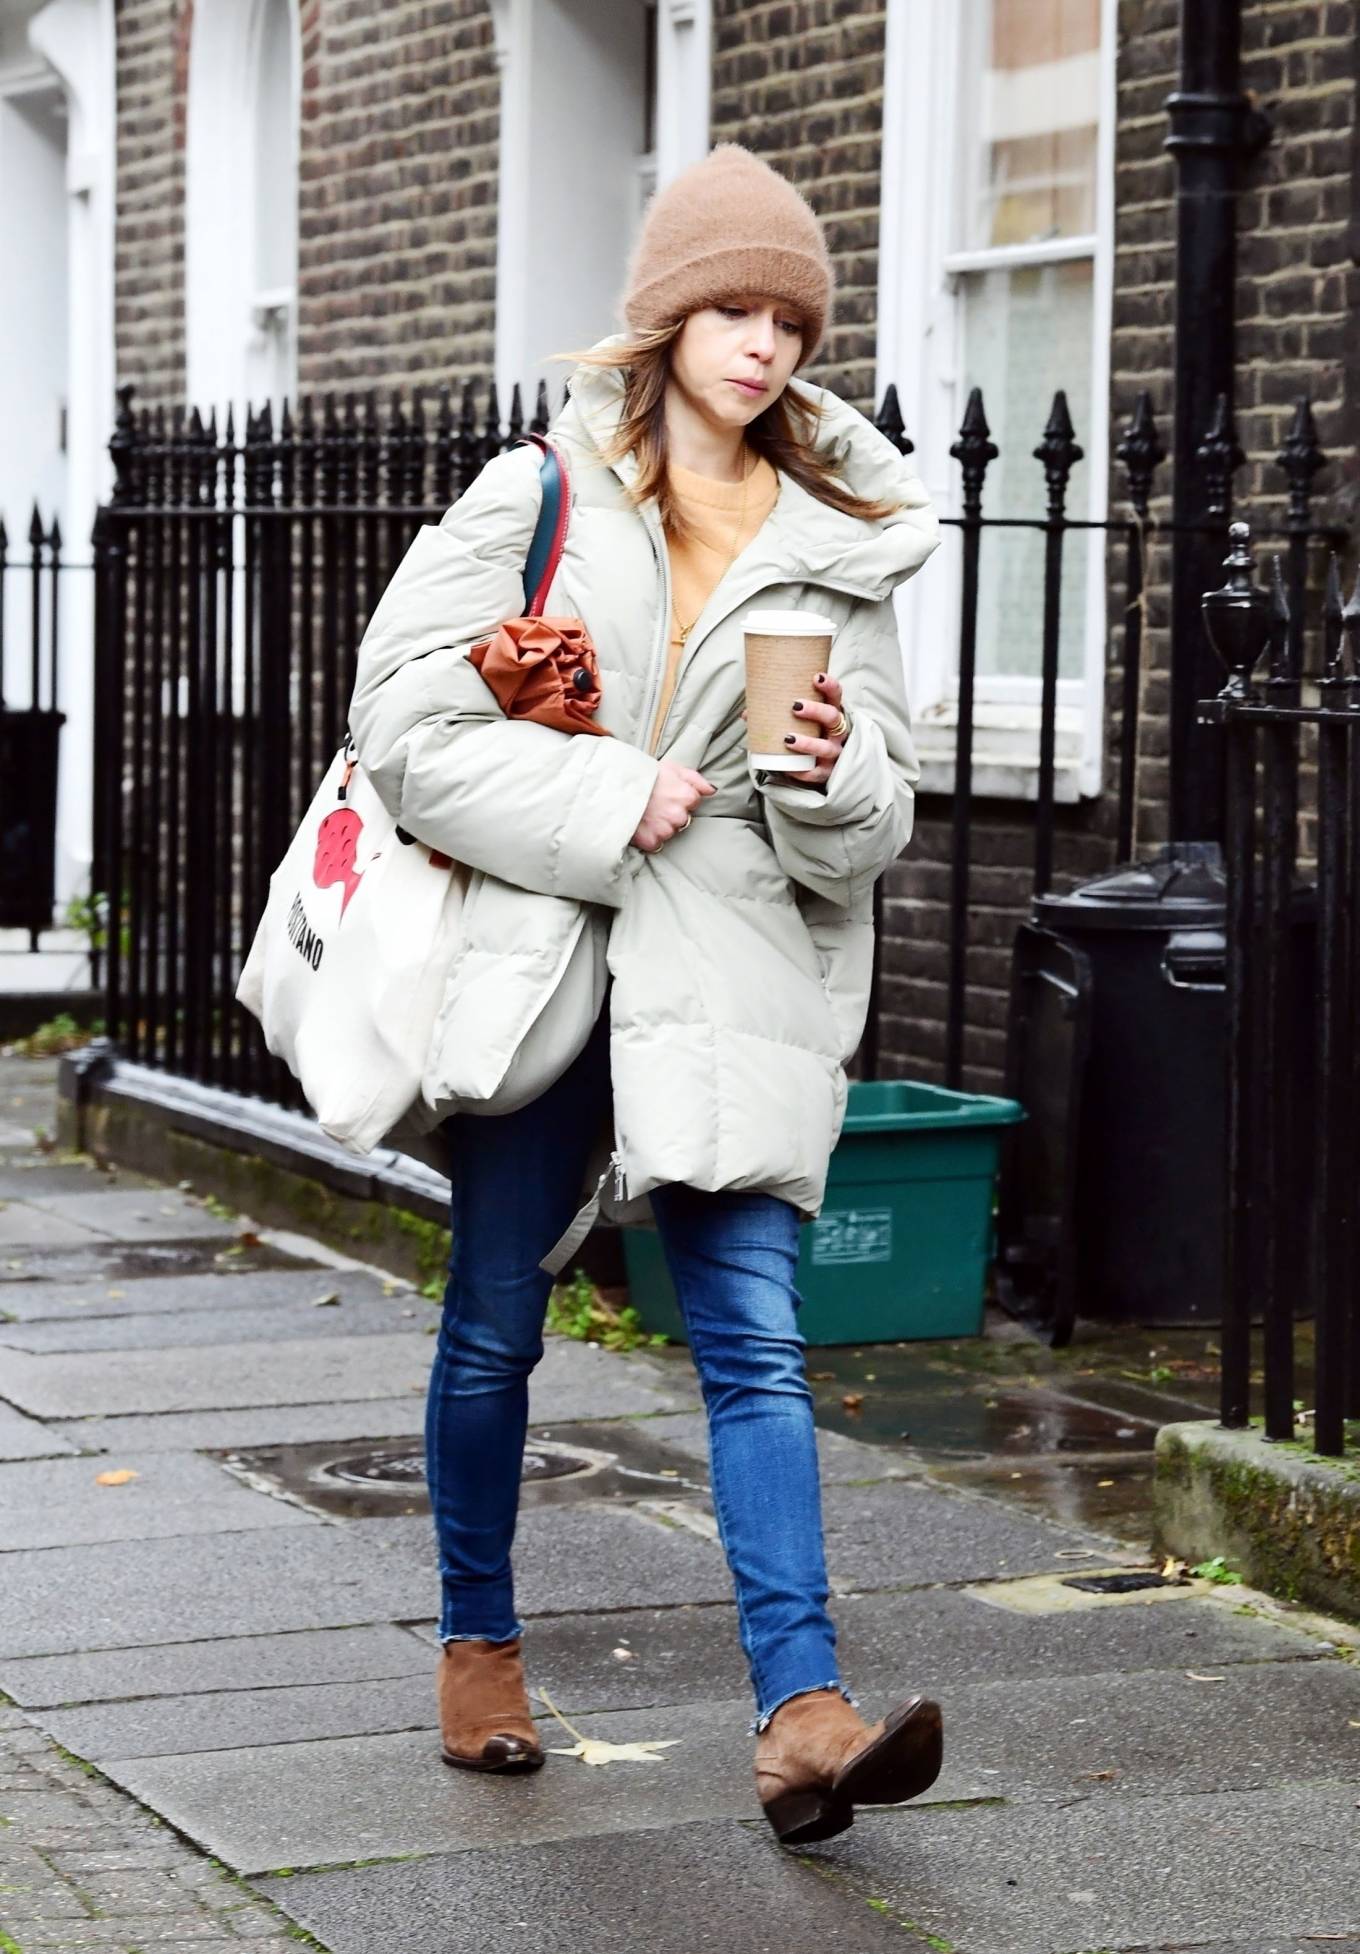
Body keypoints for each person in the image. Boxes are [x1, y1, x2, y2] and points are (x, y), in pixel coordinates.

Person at [347, 142, 944, 1847]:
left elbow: (880, 814)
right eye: (735, 309)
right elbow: (401, 722)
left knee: (754, 1338)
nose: (765, 346)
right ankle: (477, 1648)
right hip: (549, 968)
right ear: (671, 317)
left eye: (791, 321)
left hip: (734, 969)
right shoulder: (533, 496)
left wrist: (828, 772)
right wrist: (612, 795)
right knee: (493, 1328)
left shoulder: (849, 542)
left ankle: (804, 1717)